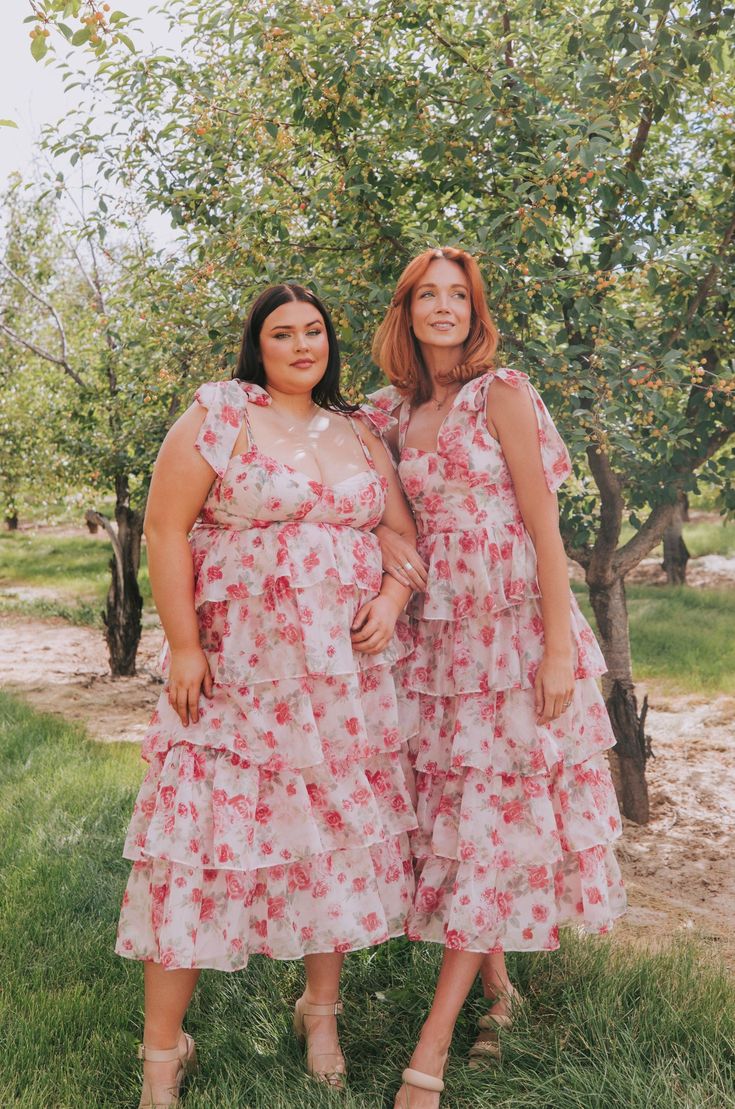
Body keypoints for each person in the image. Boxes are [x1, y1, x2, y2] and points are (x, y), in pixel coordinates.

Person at [116, 283, 419, 1107]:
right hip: (235, 678)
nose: (300, 344)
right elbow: (165, 526)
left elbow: (396, 529)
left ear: (330, 341)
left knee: (326, 846)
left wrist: (390, 598)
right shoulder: (220, 414)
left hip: (335, 691)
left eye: (313, 330)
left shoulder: (358, 430)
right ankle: (161, 1058)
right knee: (193, 852)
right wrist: (181, 643)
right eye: (281, 333)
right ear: (257, 345)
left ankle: (319, 1013)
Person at [369, 247, 627, 1108]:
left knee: (487, 821)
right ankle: (497, 993)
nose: (443, 308)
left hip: (514, 636)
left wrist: (558, 646)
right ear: (405, 311)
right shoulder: (390, 415)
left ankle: (428, 1054)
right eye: (426, 296)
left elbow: (545, 527)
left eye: (458, 296)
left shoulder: (500, 393)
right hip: (438, 648)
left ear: (476, 311)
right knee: (460, 819)